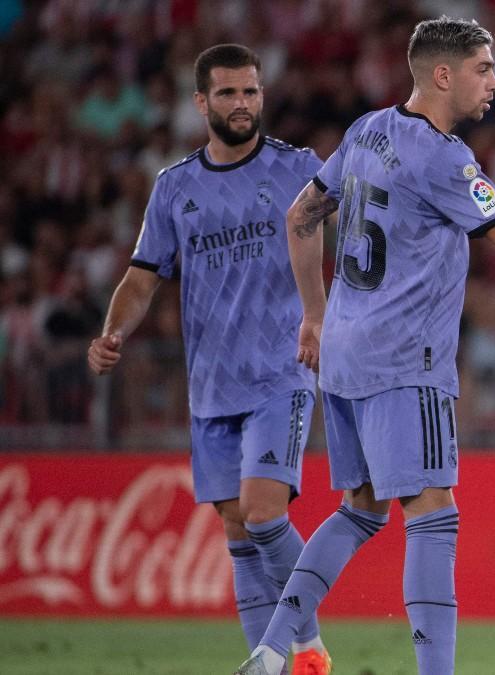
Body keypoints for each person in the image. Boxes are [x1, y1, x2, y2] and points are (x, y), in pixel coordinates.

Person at [235, 17, 495, 675]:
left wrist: (314, 315)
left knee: (360, 510)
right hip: (405, 360)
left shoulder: (367, 129)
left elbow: (300, 215)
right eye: (484, 68)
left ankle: (275, 647)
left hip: (342, 352)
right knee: (434, 513)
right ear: (443, 74)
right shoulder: (443, 157)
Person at [87, 44, 332, 674]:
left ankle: (302, 648)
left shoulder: (298, 168)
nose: (242, 104)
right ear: (202, 102)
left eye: (250, 92)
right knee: (237, 532)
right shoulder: (175, 189)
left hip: (282, 371)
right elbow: (143, 277)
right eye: (227, 93)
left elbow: (358, 222)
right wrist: (113, 331)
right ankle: (273, 659)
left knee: (262, 512)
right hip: (212, 387)